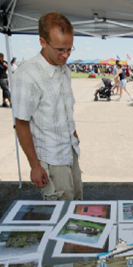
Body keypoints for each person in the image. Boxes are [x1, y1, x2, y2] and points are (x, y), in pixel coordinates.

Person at [12, 11, 82, 201]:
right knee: (60, 214)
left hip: (70, 151)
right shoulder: (27, 75)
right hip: (51, 158)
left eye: (69, 49)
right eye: (60, 49)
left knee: (76, 204)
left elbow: (65, 109)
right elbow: (21, 123)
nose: (66, 55)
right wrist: (35, 165)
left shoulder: (64, 69)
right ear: (43, 42)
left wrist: (74, 135)